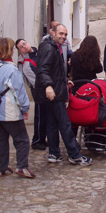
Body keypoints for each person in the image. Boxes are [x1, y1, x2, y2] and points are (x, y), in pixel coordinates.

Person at [34, 24, 92, 166]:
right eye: (61, 33)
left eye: (65, 35)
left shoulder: (54, 46)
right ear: (52, 33)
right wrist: (48, 86)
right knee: (65, 124)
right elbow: (43, 69)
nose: (63, 37)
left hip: (55, 91)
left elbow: (55, 71)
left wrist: (65, 81)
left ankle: (54, 153)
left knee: (52, 124)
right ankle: (74, 155)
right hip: (53, 94)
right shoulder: (49, 47)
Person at [0, 38, 35, 178]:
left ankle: (1, 167)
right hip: (9, 111)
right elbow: (19, 92)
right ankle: (22, 167)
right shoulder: (12, 70)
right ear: (9, 51)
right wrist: (25, 109)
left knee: (1, 138)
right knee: (22, 140)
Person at [15, 39, 47, 151]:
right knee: (40, 116)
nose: (24, 46)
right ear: (20, 51)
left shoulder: (38, 52)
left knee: (45, 116)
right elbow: (35, 81)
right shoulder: (26, 63)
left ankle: (42, 139)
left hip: (45, 88)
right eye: (21, 47)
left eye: (24, 43)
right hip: (39, 90)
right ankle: (37, 140)